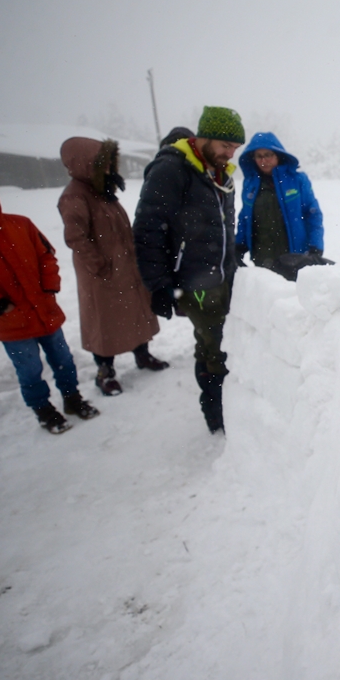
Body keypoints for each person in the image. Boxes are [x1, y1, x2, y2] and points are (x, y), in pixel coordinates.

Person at [0, 170, 100, 433]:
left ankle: (72, 399)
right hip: (11, 321)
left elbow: (46, 256)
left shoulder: (20, 224)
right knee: (29, 370)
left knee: (64, 360)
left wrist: (49, 286)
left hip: (46, 311)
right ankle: (43, 410)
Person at [133, 106, 243, 434]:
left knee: (220, 341)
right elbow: (148, 229)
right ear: (203, 137)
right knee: (214, 348)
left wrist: (233, 258)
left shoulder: (220, 173)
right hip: (194, 280)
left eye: (235, 148)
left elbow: (225, 224)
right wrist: (159, 284)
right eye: (225, 145)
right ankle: (217, 413)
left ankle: (226, 402)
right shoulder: (172, 169)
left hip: (222, 274)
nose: (230, 153)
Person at [58, 136, 168, 396]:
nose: (108, 164)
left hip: (126, 266)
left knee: (136, 313)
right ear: (84, 163)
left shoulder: (102, 189)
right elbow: (76, 237)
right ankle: (104, 373)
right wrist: (100, 266)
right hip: (102, 275)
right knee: (104, 325)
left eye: (109, 159)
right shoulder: (75, 196)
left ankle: (143, 355)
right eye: (101, 160)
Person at [235, 132, 325, 280]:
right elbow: (245, 217)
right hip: (262, 258)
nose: (264, 160)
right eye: (259, 156)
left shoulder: (297, 179)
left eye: (268, 154)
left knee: (292, 299)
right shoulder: (250, 184)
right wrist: (239, 245)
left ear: (278, 155)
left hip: (295, 258)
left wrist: (316, 246)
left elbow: (313, 213)